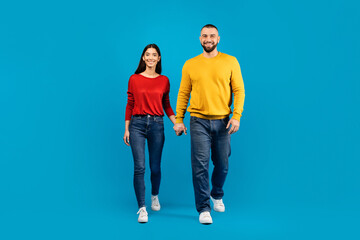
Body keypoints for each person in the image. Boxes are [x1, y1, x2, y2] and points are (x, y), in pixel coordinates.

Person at [173, 24, 245, 224]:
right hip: (198, 121)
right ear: (199, 39)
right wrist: (179, 120)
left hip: (223, 121)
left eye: (212, 36)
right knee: (200, 166)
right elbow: (183, 93)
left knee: (222, 164)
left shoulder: (230, 61)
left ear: (218, 38)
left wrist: (236, 115)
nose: (208, 39)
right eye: (205, 36)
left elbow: (239, 90)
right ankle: (204, 208)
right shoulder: (190, 64)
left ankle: (217, 194)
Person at [124, 44, 176, 223]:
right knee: (139, 167)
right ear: (143, 58)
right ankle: (142, 208)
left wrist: (177, 123)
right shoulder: (134, 79)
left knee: (155, 167)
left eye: (154, 55)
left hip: (157, 124)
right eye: (148, 55)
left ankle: (154, 195)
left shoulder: (164, 80)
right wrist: (126, 128)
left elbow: (167, 105)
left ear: (159, 58)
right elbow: (130, 104)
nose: (151, 57)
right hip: (137, 124)